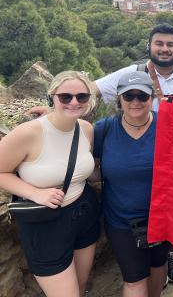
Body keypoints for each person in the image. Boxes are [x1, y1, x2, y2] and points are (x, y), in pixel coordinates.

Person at [27, 23, 173, 283]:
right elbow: (90, 91)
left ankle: (169, 252)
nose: (164, 49)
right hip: (139, 144)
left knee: (171, 209)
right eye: (159, 44)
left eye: (170, 44)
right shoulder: (132, 73)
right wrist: (56, 112)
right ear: (150, 46)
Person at [0, 71, 100, 297]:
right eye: (65, 97)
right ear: (52, 97)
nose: (74, 102)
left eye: (81, 97)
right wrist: (34, 192)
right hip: (45, 223)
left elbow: (85, 170)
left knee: (82, 282)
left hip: (84, 210)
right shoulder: (30, 133)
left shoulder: (86, 129)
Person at [93, 71, 169, 297]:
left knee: (158, 269)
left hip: (161, 217)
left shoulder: (167, 124)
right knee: (134, 279)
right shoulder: (104, 129)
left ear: (152, 98)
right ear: (119, 99)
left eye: (142, 96)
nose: (135, 102)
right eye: (129, 96)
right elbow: (92, 169)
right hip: (121, 221)